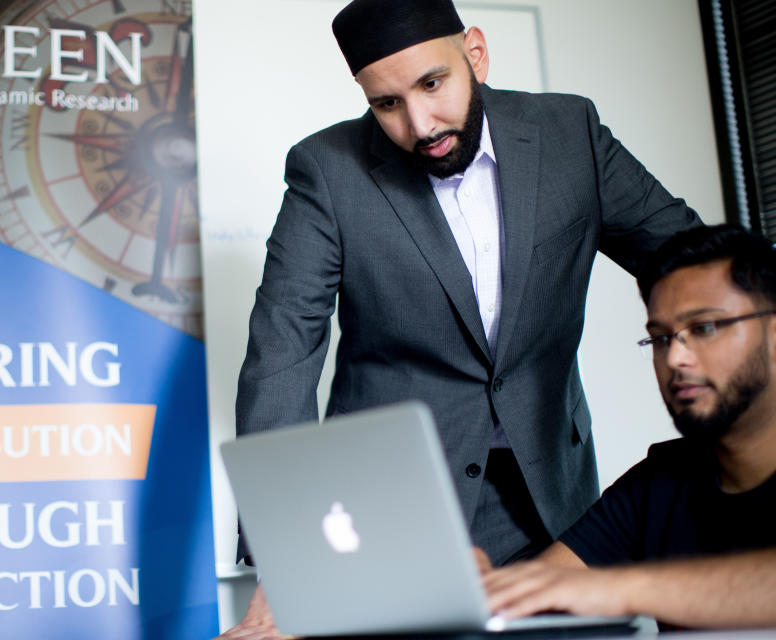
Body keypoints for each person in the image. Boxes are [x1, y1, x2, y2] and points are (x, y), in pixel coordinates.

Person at [222, 0, 700, 636]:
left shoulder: (570, 131)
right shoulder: (327, 170)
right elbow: (281, 353)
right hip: (392, 511)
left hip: (551, 494)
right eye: (386, 104)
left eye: (431, 84)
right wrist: (291, 553)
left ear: (475, 52)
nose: (419, 124)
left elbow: (693, 263)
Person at [484, 224, 776, 629]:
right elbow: (545, 589)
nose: (675, 358)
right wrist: (482, 590)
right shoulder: (659, 482)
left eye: (704, 328)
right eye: (660, 338)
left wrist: (620, 589)